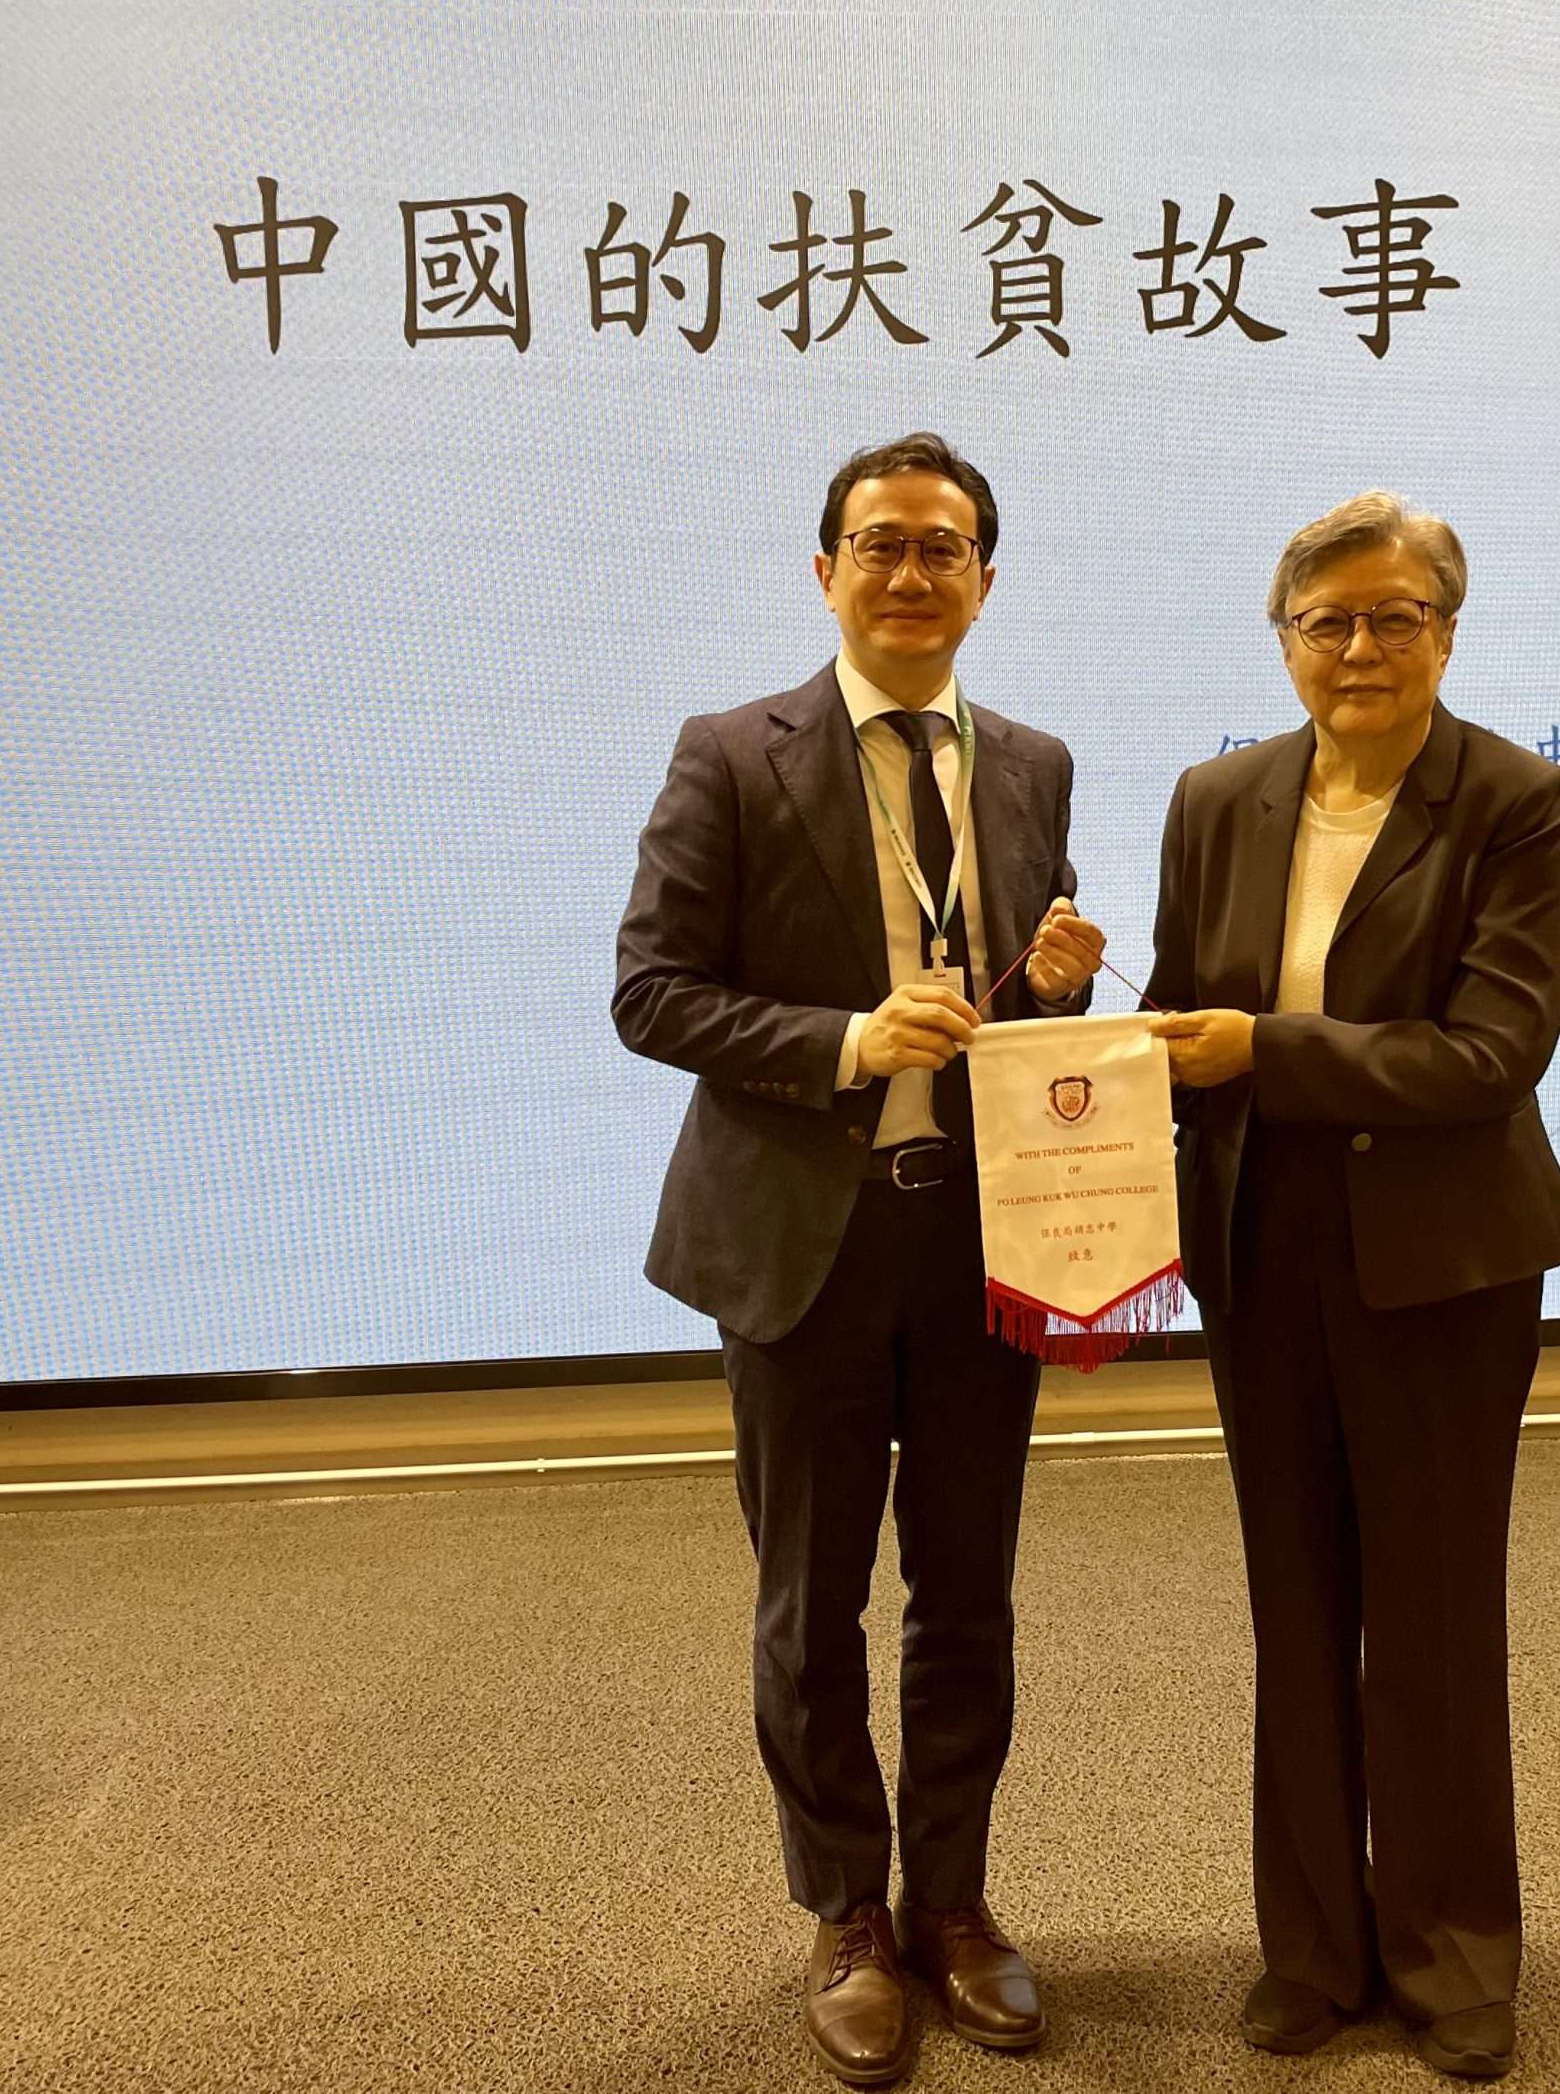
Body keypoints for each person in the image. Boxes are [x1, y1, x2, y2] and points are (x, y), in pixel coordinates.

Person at [613, 433, 1105, 2088]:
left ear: (985, 580)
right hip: (801, 1244)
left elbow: (1004, 996)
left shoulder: (1031, 762)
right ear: (826, 570)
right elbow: (653, 992)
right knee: (811, 1600)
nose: (912, 571)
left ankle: (951, 1900)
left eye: (943, 546)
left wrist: (1050, 977)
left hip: (981, 1238)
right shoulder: (729, 754)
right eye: (881, 543)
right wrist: (843, 1038)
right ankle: (844, 1913)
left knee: (967, 1592)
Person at [1146, 491, 1560, 2081]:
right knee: (1297, 1604)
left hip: (1442, 1262)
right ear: (1284, 643)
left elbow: (1490, 1054)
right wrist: (1071, 1014)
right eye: (1326, 621)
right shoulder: (1218, 798)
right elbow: (1173, 1022)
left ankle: (1452, 1946)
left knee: (1433, 1614)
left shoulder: (1518, 800)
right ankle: (1315, 1947)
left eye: (1395, 617)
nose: (1359, 648)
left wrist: (1263, 1052)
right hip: (1260, 1249)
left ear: (1447, 635)